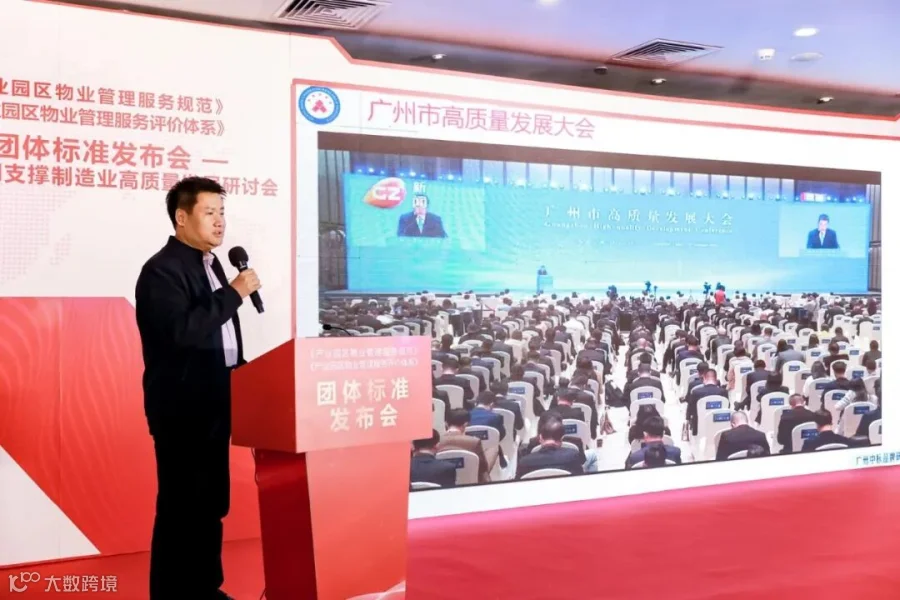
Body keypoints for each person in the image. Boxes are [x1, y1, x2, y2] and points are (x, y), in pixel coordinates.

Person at [135, 177, 261, 600]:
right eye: (209, 213)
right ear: (181, 217)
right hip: (182, 410)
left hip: (216, 404)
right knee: (181, 509)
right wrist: (234, 294)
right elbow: (182, 332)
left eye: (222, 213)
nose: (219, 221)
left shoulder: (212, 264)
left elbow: (219, 338)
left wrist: (246, 373)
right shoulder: (161, 271)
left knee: (209, 506)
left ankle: (205, 589)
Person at [516, 412, 584, 478]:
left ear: (540, 438)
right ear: (561, 439)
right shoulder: (573, 456)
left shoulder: (524, 462)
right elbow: (580, 477)